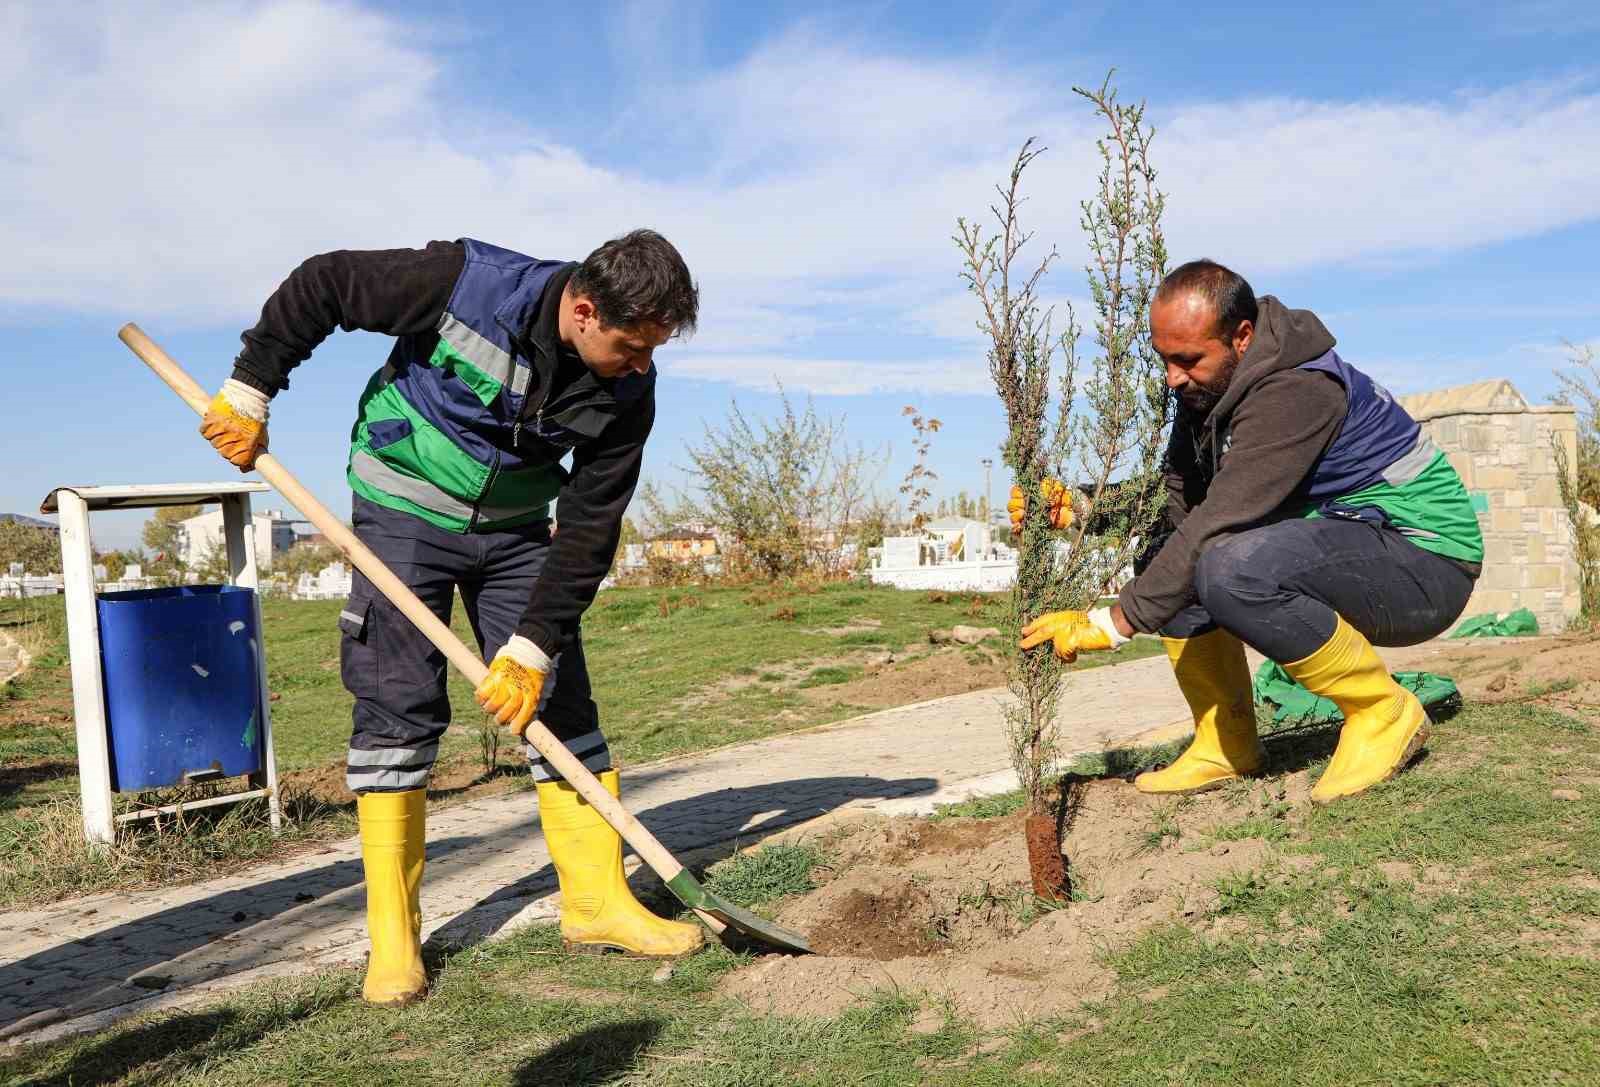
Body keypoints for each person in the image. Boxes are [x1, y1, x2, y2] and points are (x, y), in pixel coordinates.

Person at [199, 232, 704, 1006]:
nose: (642, 364)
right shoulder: (466, 284)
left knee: (559, 696)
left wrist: (532, 648)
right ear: (583, 308)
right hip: (404, 498)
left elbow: (593, 523)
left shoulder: (628, 389)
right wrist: (250, 388)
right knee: (398, 704)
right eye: (632, 345)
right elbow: (326, 283)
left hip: (513, 526)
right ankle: (395, 939)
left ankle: (596, 903)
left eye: (653, 349)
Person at [1012, 260, 1482, 804]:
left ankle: (1381, 711)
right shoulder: (1211, 390)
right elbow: (1182, 498)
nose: (1173, 377)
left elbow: (1221, 517)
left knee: (1227, 566)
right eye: (1164, 359)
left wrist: (1115, 623)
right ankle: (1224, 743)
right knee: (1173, 551)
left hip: (1426, 564)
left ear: (1241, 337)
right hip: (1353, 540)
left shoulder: (1296, 391)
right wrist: (1085, 506)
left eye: (1188, 360)